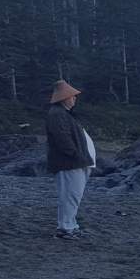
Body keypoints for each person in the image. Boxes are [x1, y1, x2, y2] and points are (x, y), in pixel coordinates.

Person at [45, 80, 96, 240]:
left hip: (75, 162)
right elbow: (62, 139)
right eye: (72, 96)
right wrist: (75, 154)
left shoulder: (62, 114)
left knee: (72, 196)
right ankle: (66, 228)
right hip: (70, 163)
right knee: (70, 195)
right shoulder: (57, 114)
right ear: (64, 98)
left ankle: (70, 226)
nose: (74, 99)